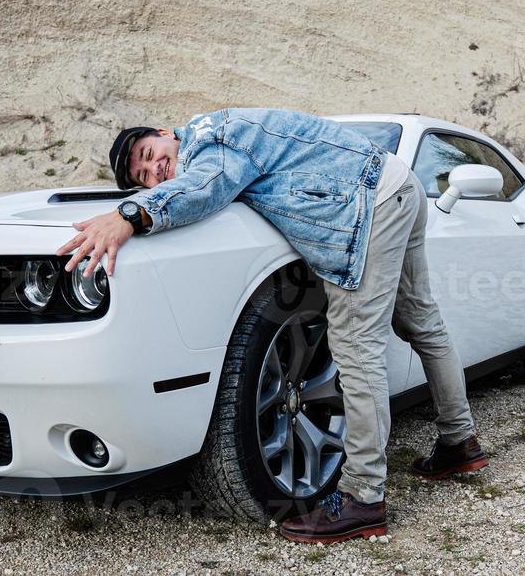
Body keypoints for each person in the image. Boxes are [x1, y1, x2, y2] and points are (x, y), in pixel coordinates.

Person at [56, 107, 489, 544]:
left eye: (149, 153)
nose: (155, 169)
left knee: (356, 345)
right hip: (395, 185)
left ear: (167, 133)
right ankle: (459, 441)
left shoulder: (212, 137)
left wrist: (128, 214)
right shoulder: (223, 133)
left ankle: (363, 496)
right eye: (145, 176)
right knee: (421, 323)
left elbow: (203, 189)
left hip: (369, 203)